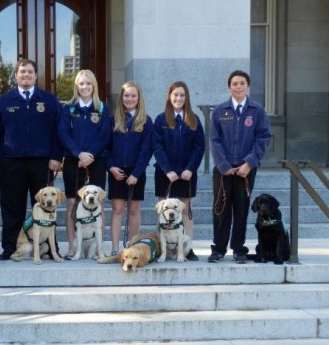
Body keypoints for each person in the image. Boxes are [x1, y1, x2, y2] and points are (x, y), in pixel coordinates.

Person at [0, 59, 63, 260]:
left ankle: (49, 247)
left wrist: (56, 156)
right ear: (16, 76)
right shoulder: (3, 101)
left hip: (42, 162)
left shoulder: (49, 100)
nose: (26, 75)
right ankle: (11, 247)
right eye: (22, 72)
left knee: (46, 207)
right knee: (12, 207)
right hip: (12, 163)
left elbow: (59, 130)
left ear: (35, 76)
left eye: (30, 72)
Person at [208, 70, 271, 264]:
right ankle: (218, 248)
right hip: (223, 170)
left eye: (242, 83)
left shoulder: (256, 110)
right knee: (220, 209)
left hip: (246, 171)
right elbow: (214, 140)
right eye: (234, 83)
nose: (238, 86)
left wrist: (249, 163)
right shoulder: (220, 111)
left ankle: (238, 249)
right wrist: (224, 165)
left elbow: (263, 138)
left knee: (241, 209)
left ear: (247, 86)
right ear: (229, 87)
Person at [57, 69, 111, 259]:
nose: (85, 87)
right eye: (81, 84)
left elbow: (105, 134)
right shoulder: (69, 108)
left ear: (93, 86)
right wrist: (78, 153)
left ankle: (99, 248)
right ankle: (72, 247)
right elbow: (63, 133)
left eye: (88, 83)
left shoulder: (102, 108)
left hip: (96, 161)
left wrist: (89, 155)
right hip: (73, 161)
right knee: (72, 203)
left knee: (99, 203)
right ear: (76, 87)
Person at [153, 81, 205, 261]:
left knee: (185, 211)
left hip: (186, 175)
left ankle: (187, 247)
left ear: (186, 98)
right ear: (170, 96)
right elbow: (157, 146)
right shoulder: (161, 119)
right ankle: (163, 248)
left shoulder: (194, 119)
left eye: (182, 95)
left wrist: (190, 169)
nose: (178, 98)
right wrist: (167, 170)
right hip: (165, 174)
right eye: (175, 95)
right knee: (164, 211)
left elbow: (199, 147)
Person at [106, 80, 153, 256]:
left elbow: (146, 150)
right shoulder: (113, 120)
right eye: (126, 95)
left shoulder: (146, 121)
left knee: (133, 209)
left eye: (133, 95)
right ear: (121, 98)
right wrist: (110, 167)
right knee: (117, 209)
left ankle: (133, 245)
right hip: (117, 171)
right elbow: (107, 148)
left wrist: (136, 173)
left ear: (139, 98)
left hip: (136, 171)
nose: (130, 98)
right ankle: (115, 247)